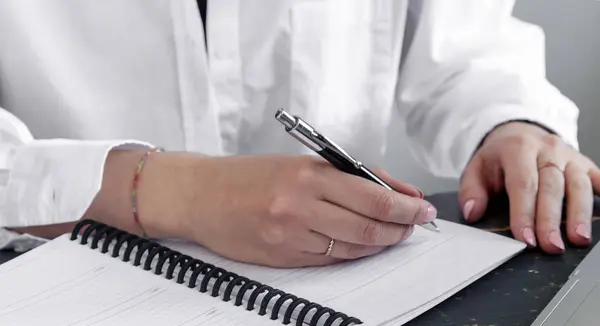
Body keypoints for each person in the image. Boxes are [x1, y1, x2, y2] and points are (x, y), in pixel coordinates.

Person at [0, 1, 597, 268]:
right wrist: (180, 192)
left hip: (334, 301)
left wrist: (511, 121)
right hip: (49, 289)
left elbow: (463, 48)